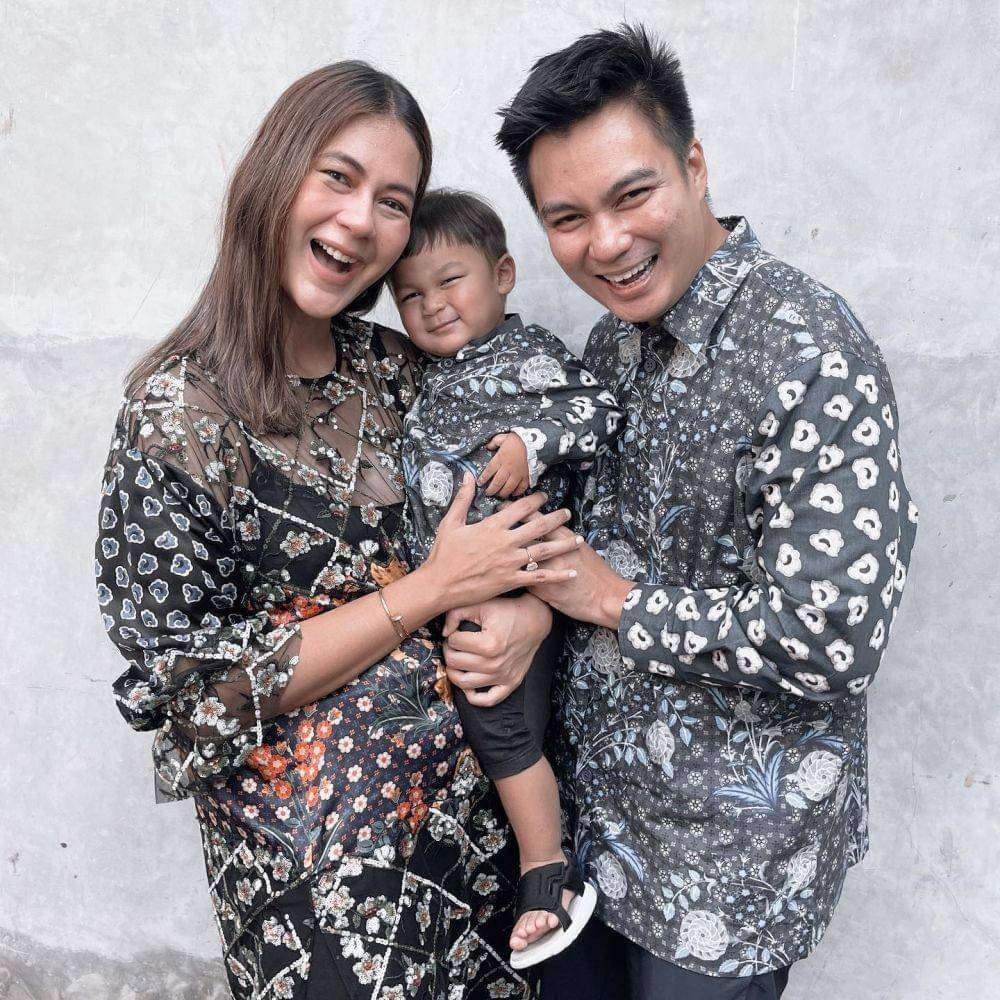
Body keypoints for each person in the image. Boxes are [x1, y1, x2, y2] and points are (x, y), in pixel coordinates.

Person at [443, 23, 919, 999]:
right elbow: (586, 548)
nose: (607, 243)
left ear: (693, 167)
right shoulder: (611, 347)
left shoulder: (810, 351)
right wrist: (537, 610)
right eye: (568, 217)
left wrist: (613, 602)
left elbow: (832, 637)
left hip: (725, 871)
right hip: (598, 835)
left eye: (633, 195)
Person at [94, 61, 581, 1000]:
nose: (363, 220)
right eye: (339, 177)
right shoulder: (177, 415)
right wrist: (429, 591)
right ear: (273, 176)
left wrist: (532, 616)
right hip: (326, 894)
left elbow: (524, 517)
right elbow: (191, 692)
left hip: (475, 860)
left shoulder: (399, 368)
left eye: (394, 201)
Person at [389, 188, 624, 966]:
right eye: (410, 296)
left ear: (503, 275)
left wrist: (531, 441)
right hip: (462, 586)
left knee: (498, 722)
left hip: (519, 581)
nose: (432, 305)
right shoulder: (429, 375)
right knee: (492, 724)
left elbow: (599, 411)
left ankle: (546, 874)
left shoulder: (527, 357)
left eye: (450, 281)